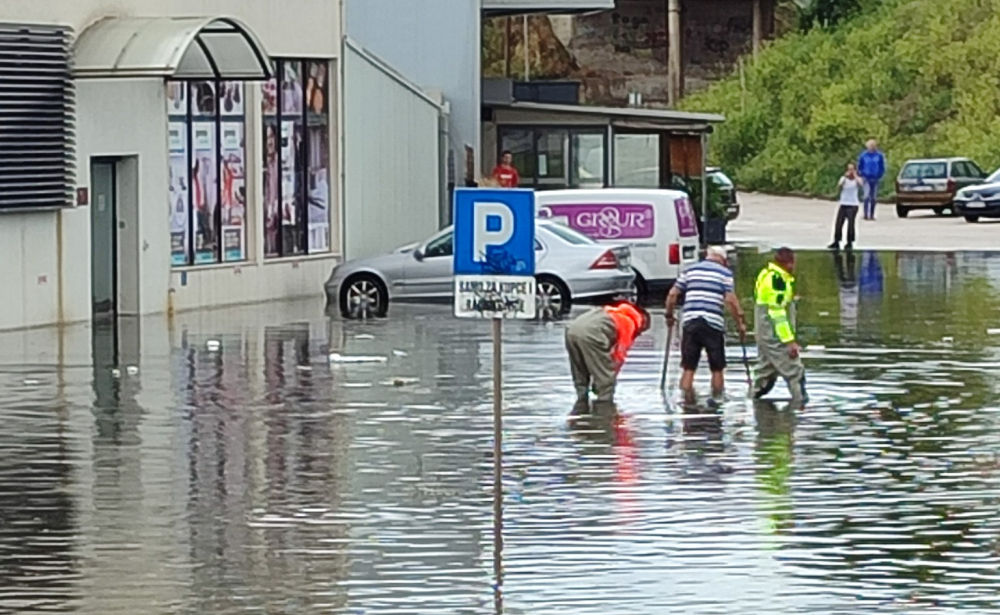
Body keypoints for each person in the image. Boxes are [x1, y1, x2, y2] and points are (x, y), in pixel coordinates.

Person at [665, 246, 747, 402]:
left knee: (688, 368)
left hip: (690, 322)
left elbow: (672, 294)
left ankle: (686, 403)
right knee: (717, 368)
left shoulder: (689, 270)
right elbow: (730, 300)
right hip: (713, 324)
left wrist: (669, 315)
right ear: (723, 260)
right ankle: (717, 401)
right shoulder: (725, 273)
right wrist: (740, 324)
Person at [565, 299, 651, 412]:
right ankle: (604, 413)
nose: (638, 334)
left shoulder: (610, 312)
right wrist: (606, 378)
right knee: (606, 382)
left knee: (580, 373)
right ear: (642, 321)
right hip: (592, 334)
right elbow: (619, 356)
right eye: (640, 331)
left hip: (571, 330)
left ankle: (580, 406)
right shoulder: (629, 322)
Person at [752, 247, 807, 405]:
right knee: (795, 371)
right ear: (789, 263)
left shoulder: (767, 274)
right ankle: (800, 408)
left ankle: (752, 405)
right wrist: (789, 341)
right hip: (774, 334)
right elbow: (777, 314)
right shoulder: (778, 281)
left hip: (764, 332)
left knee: (765, 374)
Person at [828, 162, 865, 251]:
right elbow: (839, 186)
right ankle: (836, 240)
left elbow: (861, 184)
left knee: (851, 224)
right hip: (843, 203)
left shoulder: (857, 179)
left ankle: (850, 242)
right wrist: (845, 177)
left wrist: (855, 176)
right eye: (849, 169)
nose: (850, 171)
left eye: (852, 169)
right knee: (839, 223)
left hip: (853, 205)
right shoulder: (843, 179)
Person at [857, 139, 886, 221]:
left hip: (875, 178)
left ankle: (872, 215)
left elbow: (882, 166)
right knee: (866, 196)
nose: (871, 147)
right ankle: (866, 214)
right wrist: (861, 173)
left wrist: (880, 174)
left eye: (873, 146)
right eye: (870, 146)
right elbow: (860, 166)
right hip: (866, 178)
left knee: (873, 197)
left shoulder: (879, 155)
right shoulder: (863, 155)